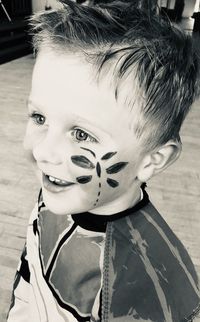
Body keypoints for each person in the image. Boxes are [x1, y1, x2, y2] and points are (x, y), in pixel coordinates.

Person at [7, 1, 200, 321]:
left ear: (152, 160)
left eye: (82, 135)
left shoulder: (146, 289)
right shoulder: (62, 189)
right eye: (39, 117)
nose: (43, 152)